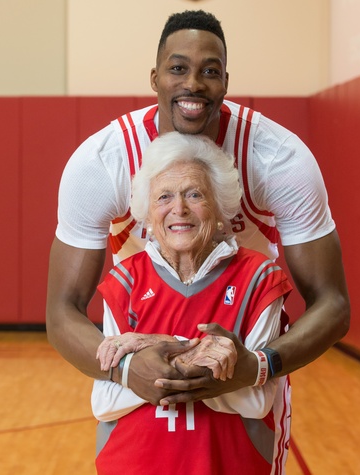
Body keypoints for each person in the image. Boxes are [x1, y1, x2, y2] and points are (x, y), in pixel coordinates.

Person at [46, 8, 350, 469]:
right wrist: (124, 368)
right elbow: (61, 310)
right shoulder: (102, 163)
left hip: (242, 345)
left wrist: (260, 365)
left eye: (209, 71)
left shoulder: (277, 159)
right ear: (155, 78)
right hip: (143, 340)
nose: (193, 84)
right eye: (178, 68)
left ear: (225, 81)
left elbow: (333, 303)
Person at [92, 131, 293, 474]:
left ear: (219, 207)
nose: (179, 209)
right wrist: (202, 355)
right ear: (148, 214)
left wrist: (151, 356)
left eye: (194, 194)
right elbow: (104, 401)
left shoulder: (259, 278)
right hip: (131, 463)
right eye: (164, 196)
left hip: (230, 465)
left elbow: (257, 401)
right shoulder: (124, 281)